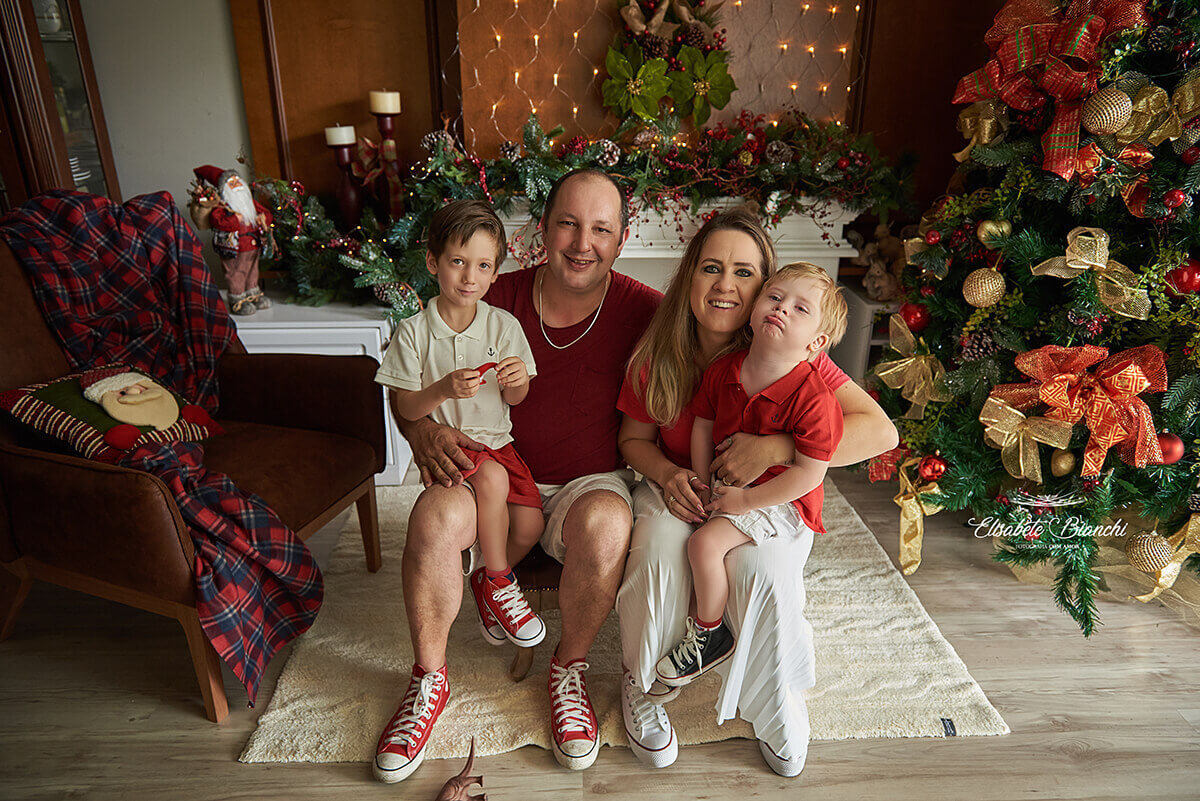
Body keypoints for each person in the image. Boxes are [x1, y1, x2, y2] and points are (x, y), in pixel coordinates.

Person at [373, 169, 662, 783]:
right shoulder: (486, 294)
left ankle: (569, 670)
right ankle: (428, 680)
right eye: (568, 224)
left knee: (611, 524)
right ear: (541, 231)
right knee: (430, 516)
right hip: (487, 469)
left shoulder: (644, 309)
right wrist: (422, 431)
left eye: (601, 229)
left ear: (621, 238)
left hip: (590, 481)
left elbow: (722, 350)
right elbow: (410, 387)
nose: (583, 243)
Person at [616, 211, 898, 775]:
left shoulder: (794, 353)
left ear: (762, 287)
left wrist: (773, 448)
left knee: (764, 570)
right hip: (680, 483)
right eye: (711, 268)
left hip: (773, 498)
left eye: (744, 273)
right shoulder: (660, 354)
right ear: (688, 277)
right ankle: (644, 686)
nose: (725, 285)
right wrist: (672, 479)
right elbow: (634, 441)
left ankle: (775, 701)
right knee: (658, 551)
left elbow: (881, 432)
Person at [655, 262, 846, 779]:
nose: (781, 308)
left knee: (704, 548)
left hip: (781, 505)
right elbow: (702, 423)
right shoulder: (727, 368)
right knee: (689, 546)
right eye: (775, 297)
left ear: (816, 343)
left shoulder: (815, 395)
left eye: (799, 309)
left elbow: (809, 474)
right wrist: (701, 479)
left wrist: (742, 505)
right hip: (730, 490)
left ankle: (710, 634)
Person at [376, 200, 547, 671]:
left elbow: (516, 399)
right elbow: (406, 406)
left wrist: (515, 382)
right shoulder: (413, 333)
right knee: (491, 482)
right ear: (433, 262)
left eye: (483, 266)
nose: (469, 277)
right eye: (458, 262)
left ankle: (484, 584)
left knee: (531, 524)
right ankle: (497, 579)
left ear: (495, 274)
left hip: (500, 443)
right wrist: (442, 388)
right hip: (456, 449)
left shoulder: (503, 325)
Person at [189, 165, 274, 315]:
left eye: (238, 181)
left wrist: (263, 218)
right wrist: (236, 218)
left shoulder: (250, 204)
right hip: (235, 248)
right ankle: (238, 299)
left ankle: (253, 294)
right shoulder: (222, 207)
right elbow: (219, 222)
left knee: (252, 270)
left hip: (253, 245)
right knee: (236, 273)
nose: (237, 185)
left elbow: (266, 213)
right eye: (232, 183)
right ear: (225, 189)